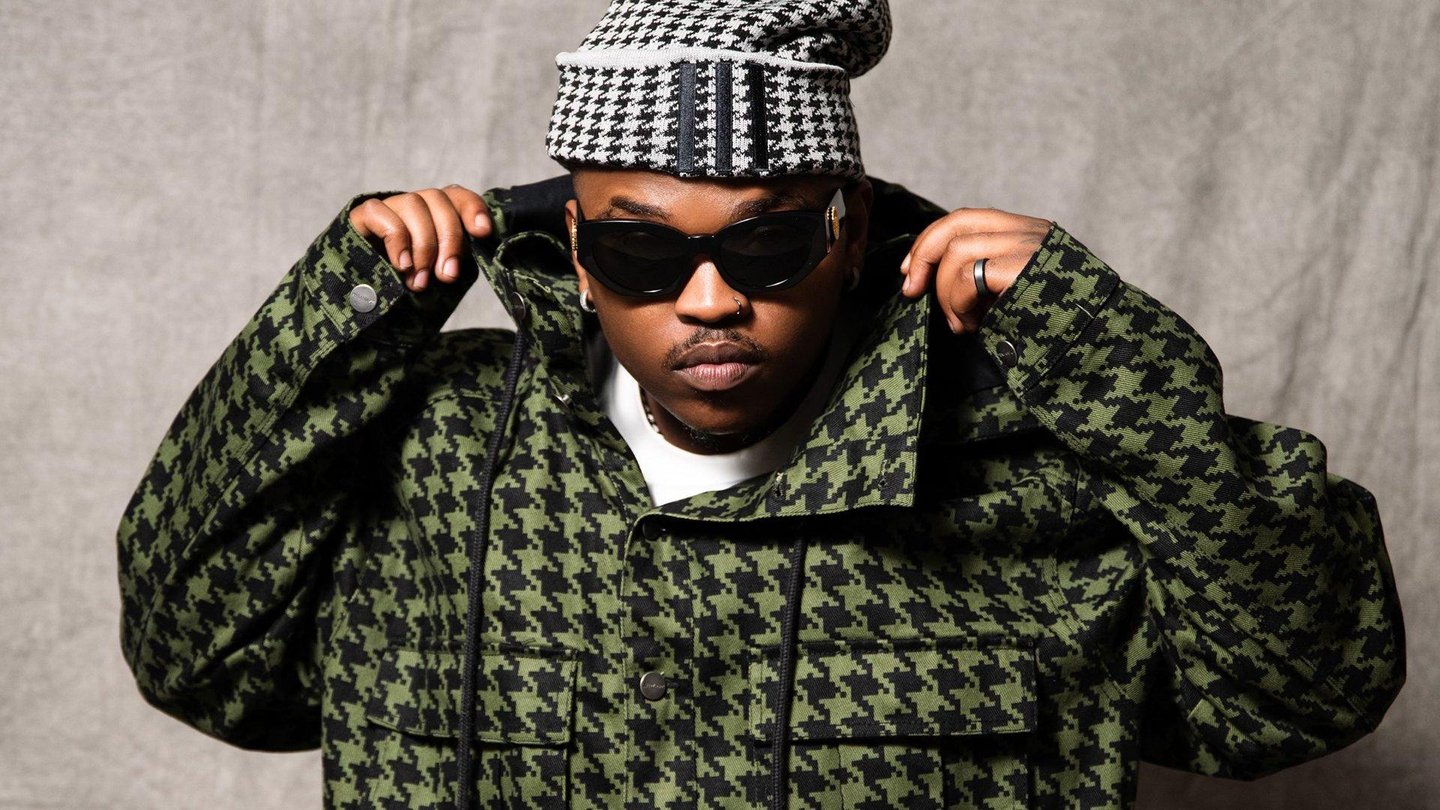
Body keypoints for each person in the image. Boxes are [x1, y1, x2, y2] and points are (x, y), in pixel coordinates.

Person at [116, 1, 1404, 808]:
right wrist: (342, 313)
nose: (711, 301)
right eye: (644, 251)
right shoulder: (433, 451)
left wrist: (1105, 357)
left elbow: (1301, 693)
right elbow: (196, 658)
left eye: (770, 244)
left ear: (852, 237)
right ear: (576, 252)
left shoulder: (1026, 469)